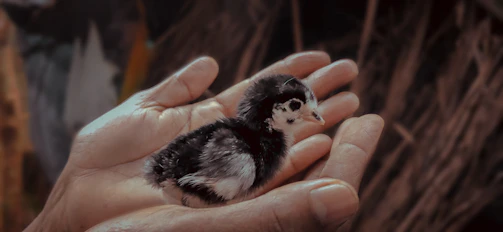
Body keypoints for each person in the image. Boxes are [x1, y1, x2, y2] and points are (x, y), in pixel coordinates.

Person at [24, 51, 384, 232]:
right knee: (238, 171)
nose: (311, 115)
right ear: (270, 110)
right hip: (193, 174)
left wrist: (56, 221)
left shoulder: (249, 143)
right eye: (295, 106)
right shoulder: (241, 155)